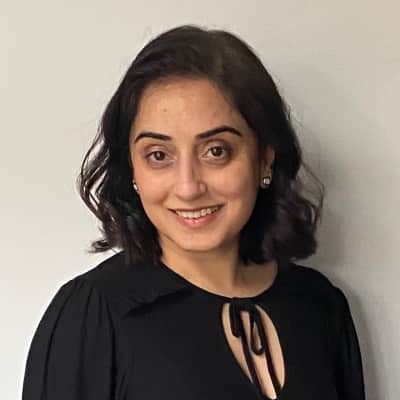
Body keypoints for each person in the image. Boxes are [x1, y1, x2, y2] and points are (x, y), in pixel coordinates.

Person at [22, 24, 365, 400]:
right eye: (158, 155)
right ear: (132, 169)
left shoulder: (320, 305)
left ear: (264, 159)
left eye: (216, 151)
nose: (188, 187)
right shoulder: (92, 314)